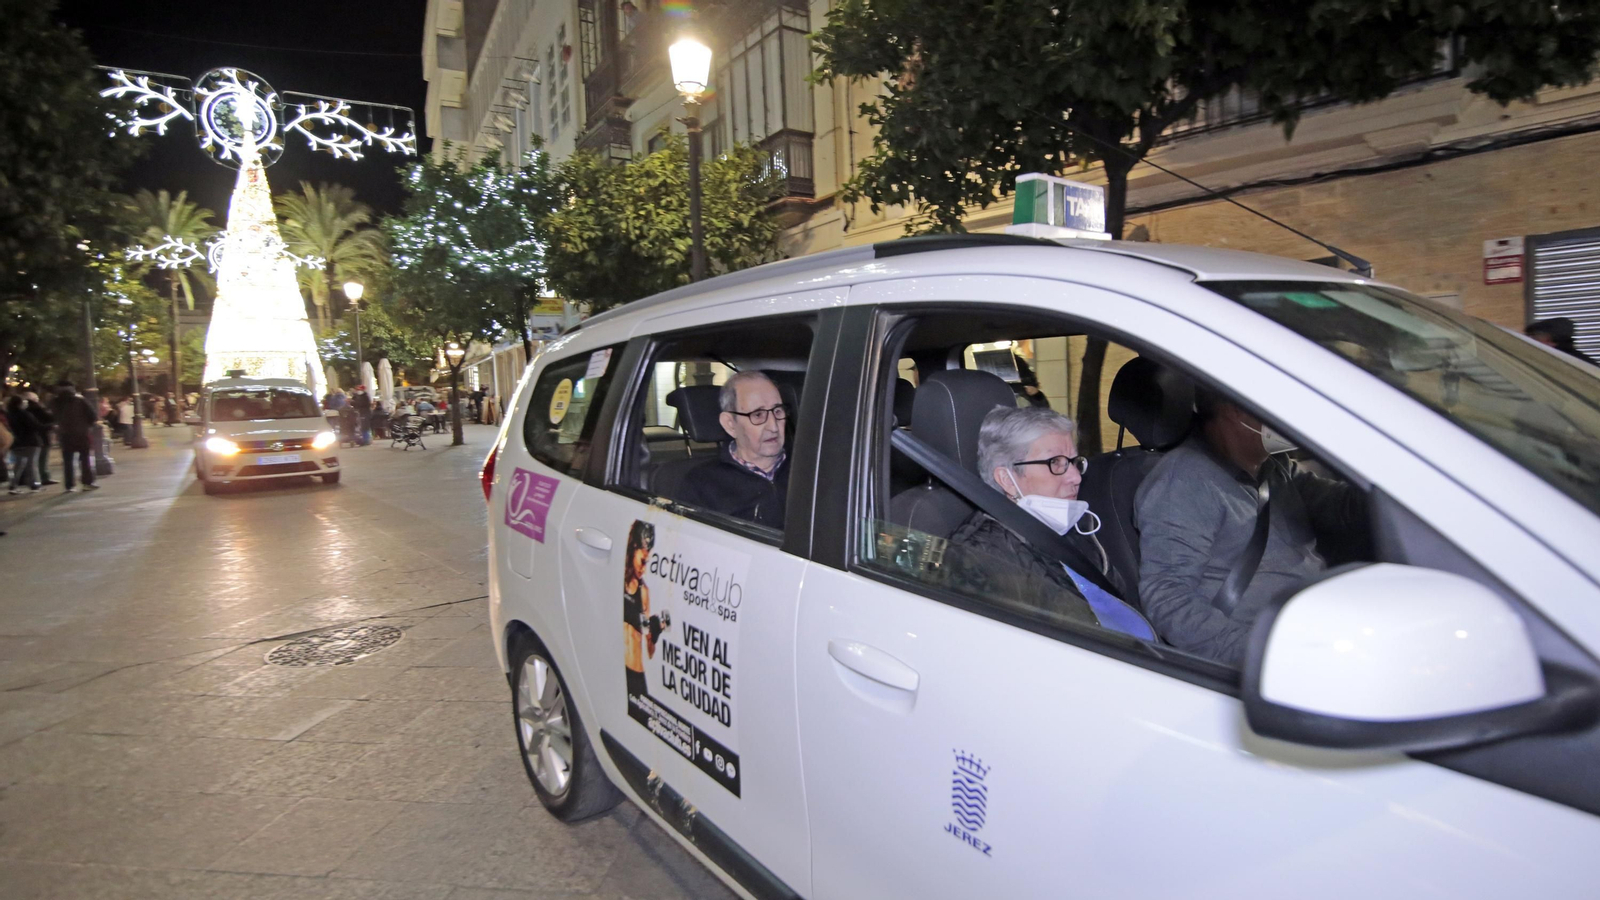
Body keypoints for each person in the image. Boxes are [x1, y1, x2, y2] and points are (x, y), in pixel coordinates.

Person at [1134, 388, 1364, 668]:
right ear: (1236, 408)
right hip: (1274, 653)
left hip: (1319, 628)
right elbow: (1169, 598)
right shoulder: (1184, 481)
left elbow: (1343, 506)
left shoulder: (1274, 468)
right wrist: (1260, 654)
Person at [950, 405, 1152, 638]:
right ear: (1006, 479)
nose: (1076, 477)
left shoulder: (1076, 529)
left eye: (1074, 462)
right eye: (1055, 462)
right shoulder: (978, 560)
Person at [676, 371, 791, 528]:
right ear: (730, 424)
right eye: (758, 414)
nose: (773, 426)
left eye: (778, 411)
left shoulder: (812, 469)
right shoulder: (701, 485)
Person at [50, 382, 99, 492]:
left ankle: (69, 485)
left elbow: (51, 417)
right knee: (85, 460)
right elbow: (93, 415)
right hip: (81, 434)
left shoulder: (54, 402)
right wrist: (86, 425)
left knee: (68, 461)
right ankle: (87, 482)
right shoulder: (80, 401)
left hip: (64, 435)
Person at [6, 394, 45, 493]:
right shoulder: (25, 414)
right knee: (32, 464)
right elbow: (35, 426)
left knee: (18, 465)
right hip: (31, 441)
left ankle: (13, 485)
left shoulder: (9, 415)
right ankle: (34, 484)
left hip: (17, 443)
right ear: (20, 403)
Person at [1526, 317, 1598, 366]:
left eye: (1535, 335)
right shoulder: (1585, 362)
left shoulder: (1557, 361)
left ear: (1550, 339)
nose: (1531, 339)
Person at [25, 392, 55, 486]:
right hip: (42, 436)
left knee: (32, 460)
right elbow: (50, 419)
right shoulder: (38, 409)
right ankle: (43, 477)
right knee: (42, 458)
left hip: (28, 438)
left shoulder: (24, 410)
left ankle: (35, 478)